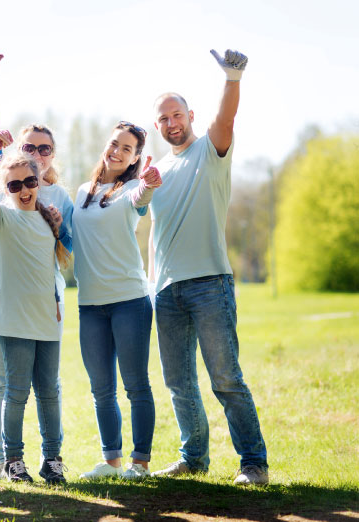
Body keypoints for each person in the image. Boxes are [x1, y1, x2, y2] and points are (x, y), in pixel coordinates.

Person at [148, 49, 268, 485]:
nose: (171, 123)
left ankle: (253, 462)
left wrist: (231, 78)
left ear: (189, 115)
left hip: (209, 284)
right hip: (166, 291)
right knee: (179, 383)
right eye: (162, 119)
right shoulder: (156, 170)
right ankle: (193, 458)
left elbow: (227, 122)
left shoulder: (209, 151)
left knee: (225, 378)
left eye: (176, 114)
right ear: (157, 127)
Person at [0, 54, 74, 477]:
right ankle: (10, 460)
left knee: (48, 391)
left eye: (30, 180)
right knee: (12, 390)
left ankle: (53, 459)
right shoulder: (3, 206)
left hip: (45, 309)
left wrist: (57, 228)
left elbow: (67, 256)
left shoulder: (56, 206)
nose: (24, 187)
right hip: (7, 307)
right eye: (15, 183)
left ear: (45, 167)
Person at [72, 122, 162, 480]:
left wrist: (149, 184)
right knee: (101, 390)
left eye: (127, 148)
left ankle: (139, 463)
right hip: (90, 306)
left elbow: (142, 199)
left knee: (136, 385)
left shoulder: (132, 190)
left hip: (129, 302)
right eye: (114, 144)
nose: (117, 152)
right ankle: (111, 462)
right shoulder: (81, 192)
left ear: (135, 157)